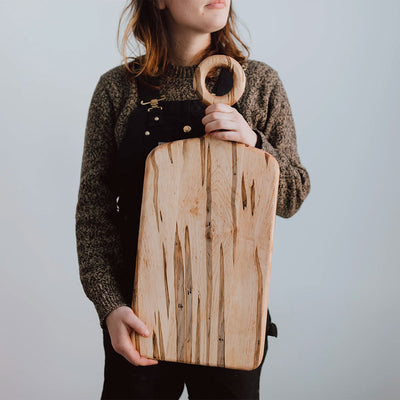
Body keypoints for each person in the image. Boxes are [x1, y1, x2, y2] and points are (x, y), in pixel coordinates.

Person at [75, 0, 311, 398]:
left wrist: (255, 145)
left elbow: (292, 196)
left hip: (232, 322)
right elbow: (94, 212)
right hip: (139, 321)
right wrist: (110, 306)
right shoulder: (117, 90)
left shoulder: (259, 84)